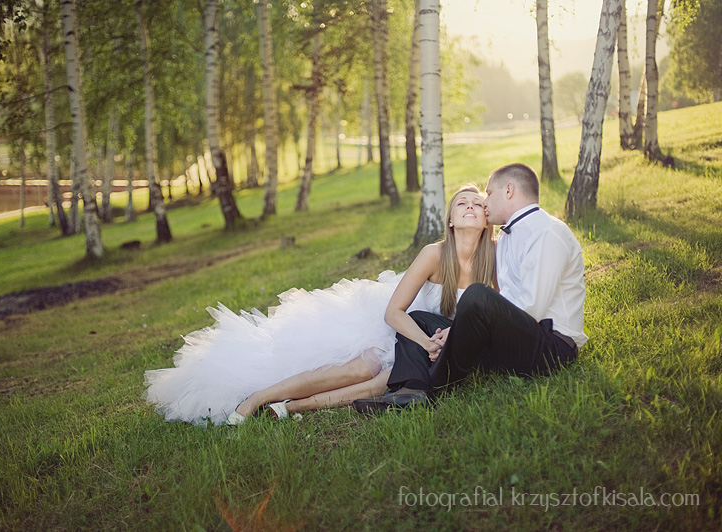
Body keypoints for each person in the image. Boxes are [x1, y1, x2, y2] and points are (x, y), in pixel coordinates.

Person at [143, 185, 495, 426]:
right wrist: (425, 342)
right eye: (461, 203)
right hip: (403, 329)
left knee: (384, 384)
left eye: (477, 204)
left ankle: (290, 408)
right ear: (450, 220)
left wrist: (443, 341)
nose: (469, 208)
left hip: (440, 341)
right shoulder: (434, 254)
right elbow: (393, 312)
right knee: (364, 368)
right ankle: (255, 398)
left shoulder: (493, 258)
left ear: (486, 218)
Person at [353, 163, 588, 413]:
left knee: (477, 294)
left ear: (509, 190)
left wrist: (457, 330)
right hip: (516, 339)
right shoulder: (506, 238)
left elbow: (530, 308)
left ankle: (435, 380)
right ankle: (413, 390)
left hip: (551, 347)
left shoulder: (547, 232)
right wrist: (456, 331)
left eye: (489, 193)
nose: (484, 203)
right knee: (420, 320)